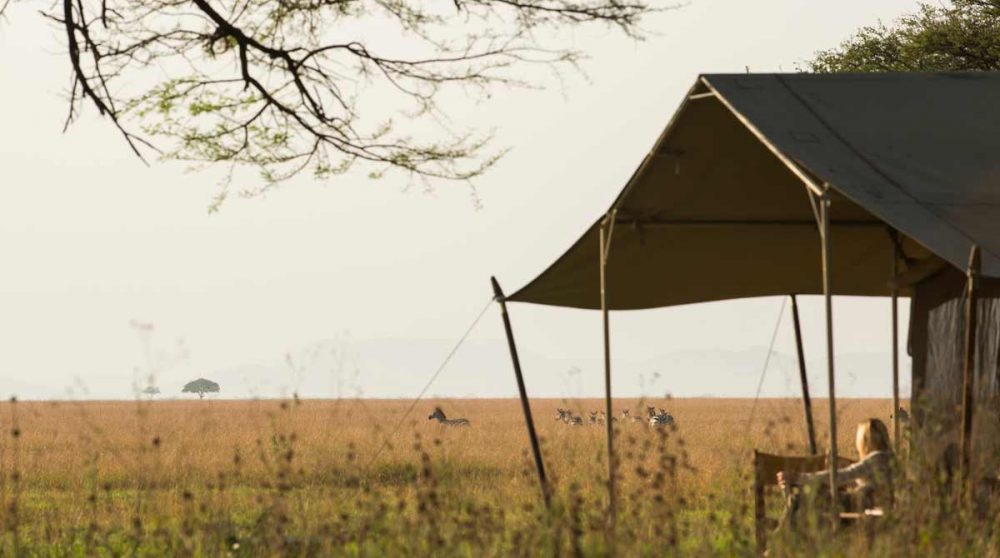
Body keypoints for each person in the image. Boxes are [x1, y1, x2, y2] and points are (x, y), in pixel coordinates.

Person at [776, 419, 894, 530]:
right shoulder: (889, 459)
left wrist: (800, 478)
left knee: (798, 498)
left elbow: (842, 476)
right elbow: (864, 479)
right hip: (868, 505)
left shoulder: (876, 458)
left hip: (857, 504)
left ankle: (779, 539)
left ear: (865, 440)